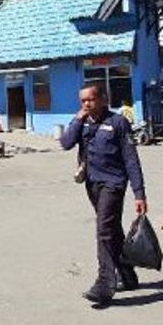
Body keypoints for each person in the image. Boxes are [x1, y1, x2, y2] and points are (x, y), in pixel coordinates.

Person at [60, 84, 148, 307]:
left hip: (114, 184)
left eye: (90, 99)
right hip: (92, 184)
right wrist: (77, 120)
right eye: (82, 101)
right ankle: (127, 275)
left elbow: (131, 158)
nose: (86, 104)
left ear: (103, 99)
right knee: (112, 230)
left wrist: (139, 193)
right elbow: (66, 143)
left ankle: (104, 283)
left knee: (103, 230)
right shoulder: (83, 123)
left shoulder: (118, 122)